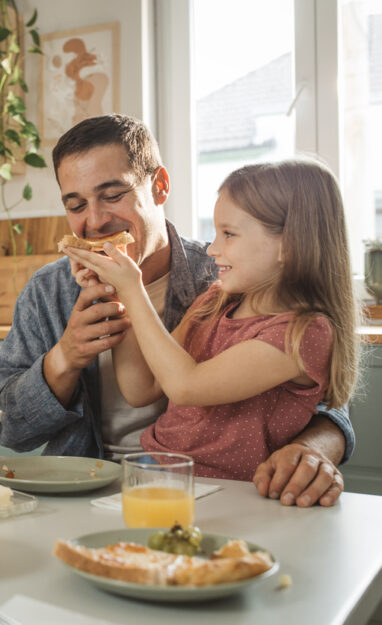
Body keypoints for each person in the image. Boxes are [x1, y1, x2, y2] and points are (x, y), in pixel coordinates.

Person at [0, 114, 354, 506]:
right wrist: (63, 359)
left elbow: (326, 402)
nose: (94, 221)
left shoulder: (227, 278)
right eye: (76, 205)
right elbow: (11, 431)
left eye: (113, 196)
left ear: (160, 186)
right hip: (88, 483)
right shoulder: (49, 291)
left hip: (220, 491)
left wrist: (315, 449)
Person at [65, 159, 359, 481]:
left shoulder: (302, 335)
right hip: (155, 470)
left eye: (229, 234)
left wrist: (132, 288)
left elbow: (185, 386)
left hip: (230, 493)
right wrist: (115, 294)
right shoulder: (215, 302)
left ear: (289, 244)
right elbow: (141, 387)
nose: (212, 249)